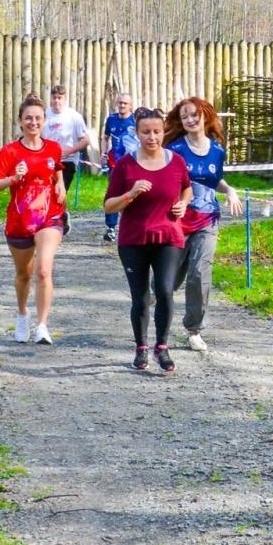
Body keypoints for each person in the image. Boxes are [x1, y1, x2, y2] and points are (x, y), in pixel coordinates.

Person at [105, 107, 191, 372]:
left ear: (164, 132)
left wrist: (184, 204)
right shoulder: (125, 165)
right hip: (134, 239)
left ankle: (162, 347)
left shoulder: (176, 161)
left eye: (156, 132)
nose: (152, 137)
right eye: (146, 132)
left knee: (165, 291)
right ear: (136, 133)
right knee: (140, 298)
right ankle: (141, 347)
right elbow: (108, 205)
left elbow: (186, 188)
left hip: (168, 236)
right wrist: (130, 194)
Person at [0, 94, 67, 345]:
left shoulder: (53, 147)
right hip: (20, 219)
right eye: (28, 118)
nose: (33, 122)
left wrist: (60, 185)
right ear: (20, 121)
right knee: (24, 274)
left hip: (49, 215)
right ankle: (22, 314)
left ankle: (42, 326)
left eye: (38, 118)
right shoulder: (10, 151)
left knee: (43, 270)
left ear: (44, 120)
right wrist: (13, 178)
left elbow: (56, 170)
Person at [166, 96, 242, 353]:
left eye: (194, 115)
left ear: (205, 116)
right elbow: (168, 182)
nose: (190, 120)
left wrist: (229, 190)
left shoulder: (218, 150)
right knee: (168, 280)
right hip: (177, 220)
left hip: (207, 218)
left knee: (199, 273)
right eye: (184, 116)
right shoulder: (175, 150)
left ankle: (194, 330)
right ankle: (153, 301)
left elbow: (214, 180)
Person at [44, 84, 91, 226]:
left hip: (67, 160)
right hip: (48, 161)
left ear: (65, 99)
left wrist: (69, 151)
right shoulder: (45, 115)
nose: (56, 101)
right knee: (47, 191)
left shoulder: (74, 117)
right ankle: (55, 217)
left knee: (59, 190)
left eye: (60, 98)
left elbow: (85, 140)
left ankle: (59, 218)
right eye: (54, 98)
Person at [101, 93, 138, 243]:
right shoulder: (111, 119)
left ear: (130, 105)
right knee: (113, 193)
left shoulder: (135, 121)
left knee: (131, 193)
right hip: (114, 163)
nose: (122, 105)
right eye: (120, 103)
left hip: (131, 164)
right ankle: (111, 228)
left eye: (125, 103)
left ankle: (133, 224)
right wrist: (103, 153)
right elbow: (105, 138)